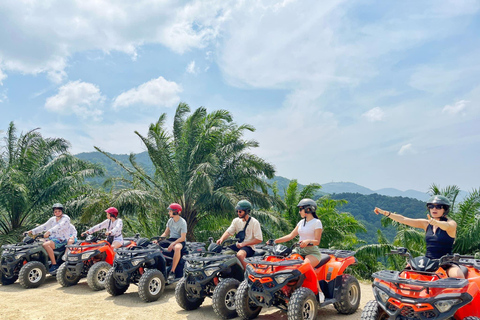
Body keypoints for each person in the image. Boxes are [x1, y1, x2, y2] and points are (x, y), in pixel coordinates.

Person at [374, 195, 464, 278]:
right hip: (428, 262)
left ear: (445, 209)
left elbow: (447, 226)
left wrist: (437, 223)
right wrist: (386, 213)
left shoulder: (451, 224)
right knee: (404, 274)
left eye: (438, 206)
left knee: (457, 275)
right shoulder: (426, 224)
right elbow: (404, 219)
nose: (434, 209)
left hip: (446, 262)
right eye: (431, 206)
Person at [216, 200, 263, 269]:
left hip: (249, 247)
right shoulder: (236, 221)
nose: (238, 213)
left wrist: (244, 244)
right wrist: (221, 239)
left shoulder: (254, 222)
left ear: (247, 211)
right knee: (222, 253)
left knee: (240, 255)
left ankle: (248, 273)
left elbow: (259, 239)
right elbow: (229, 232)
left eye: (240, 211)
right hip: (238, 245)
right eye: (237, 211)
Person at [26, 203, 71, 273]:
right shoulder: (53, 219)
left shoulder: (65, 218)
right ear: (53, 212)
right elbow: (44, 226)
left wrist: (49, 231)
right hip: (52, 239)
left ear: (62, 211)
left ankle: (54, 264)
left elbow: (59, 226)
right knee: (37, 242)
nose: (57, 213)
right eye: (55, 211)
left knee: (46, 245)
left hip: (62, 239)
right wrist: (32, 231)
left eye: (59, 211)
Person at [159, 203, 187, 281]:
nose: (169, 213)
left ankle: (172, 271)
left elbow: (183, 237)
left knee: (177, 248)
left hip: (180, 240)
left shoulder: (183, 222)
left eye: (170, 211)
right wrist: (158, 240)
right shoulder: (170, 221)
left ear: (175, 212)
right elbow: (165, 233)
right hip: (171, 239)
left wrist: (173, 243)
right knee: (155, 246)